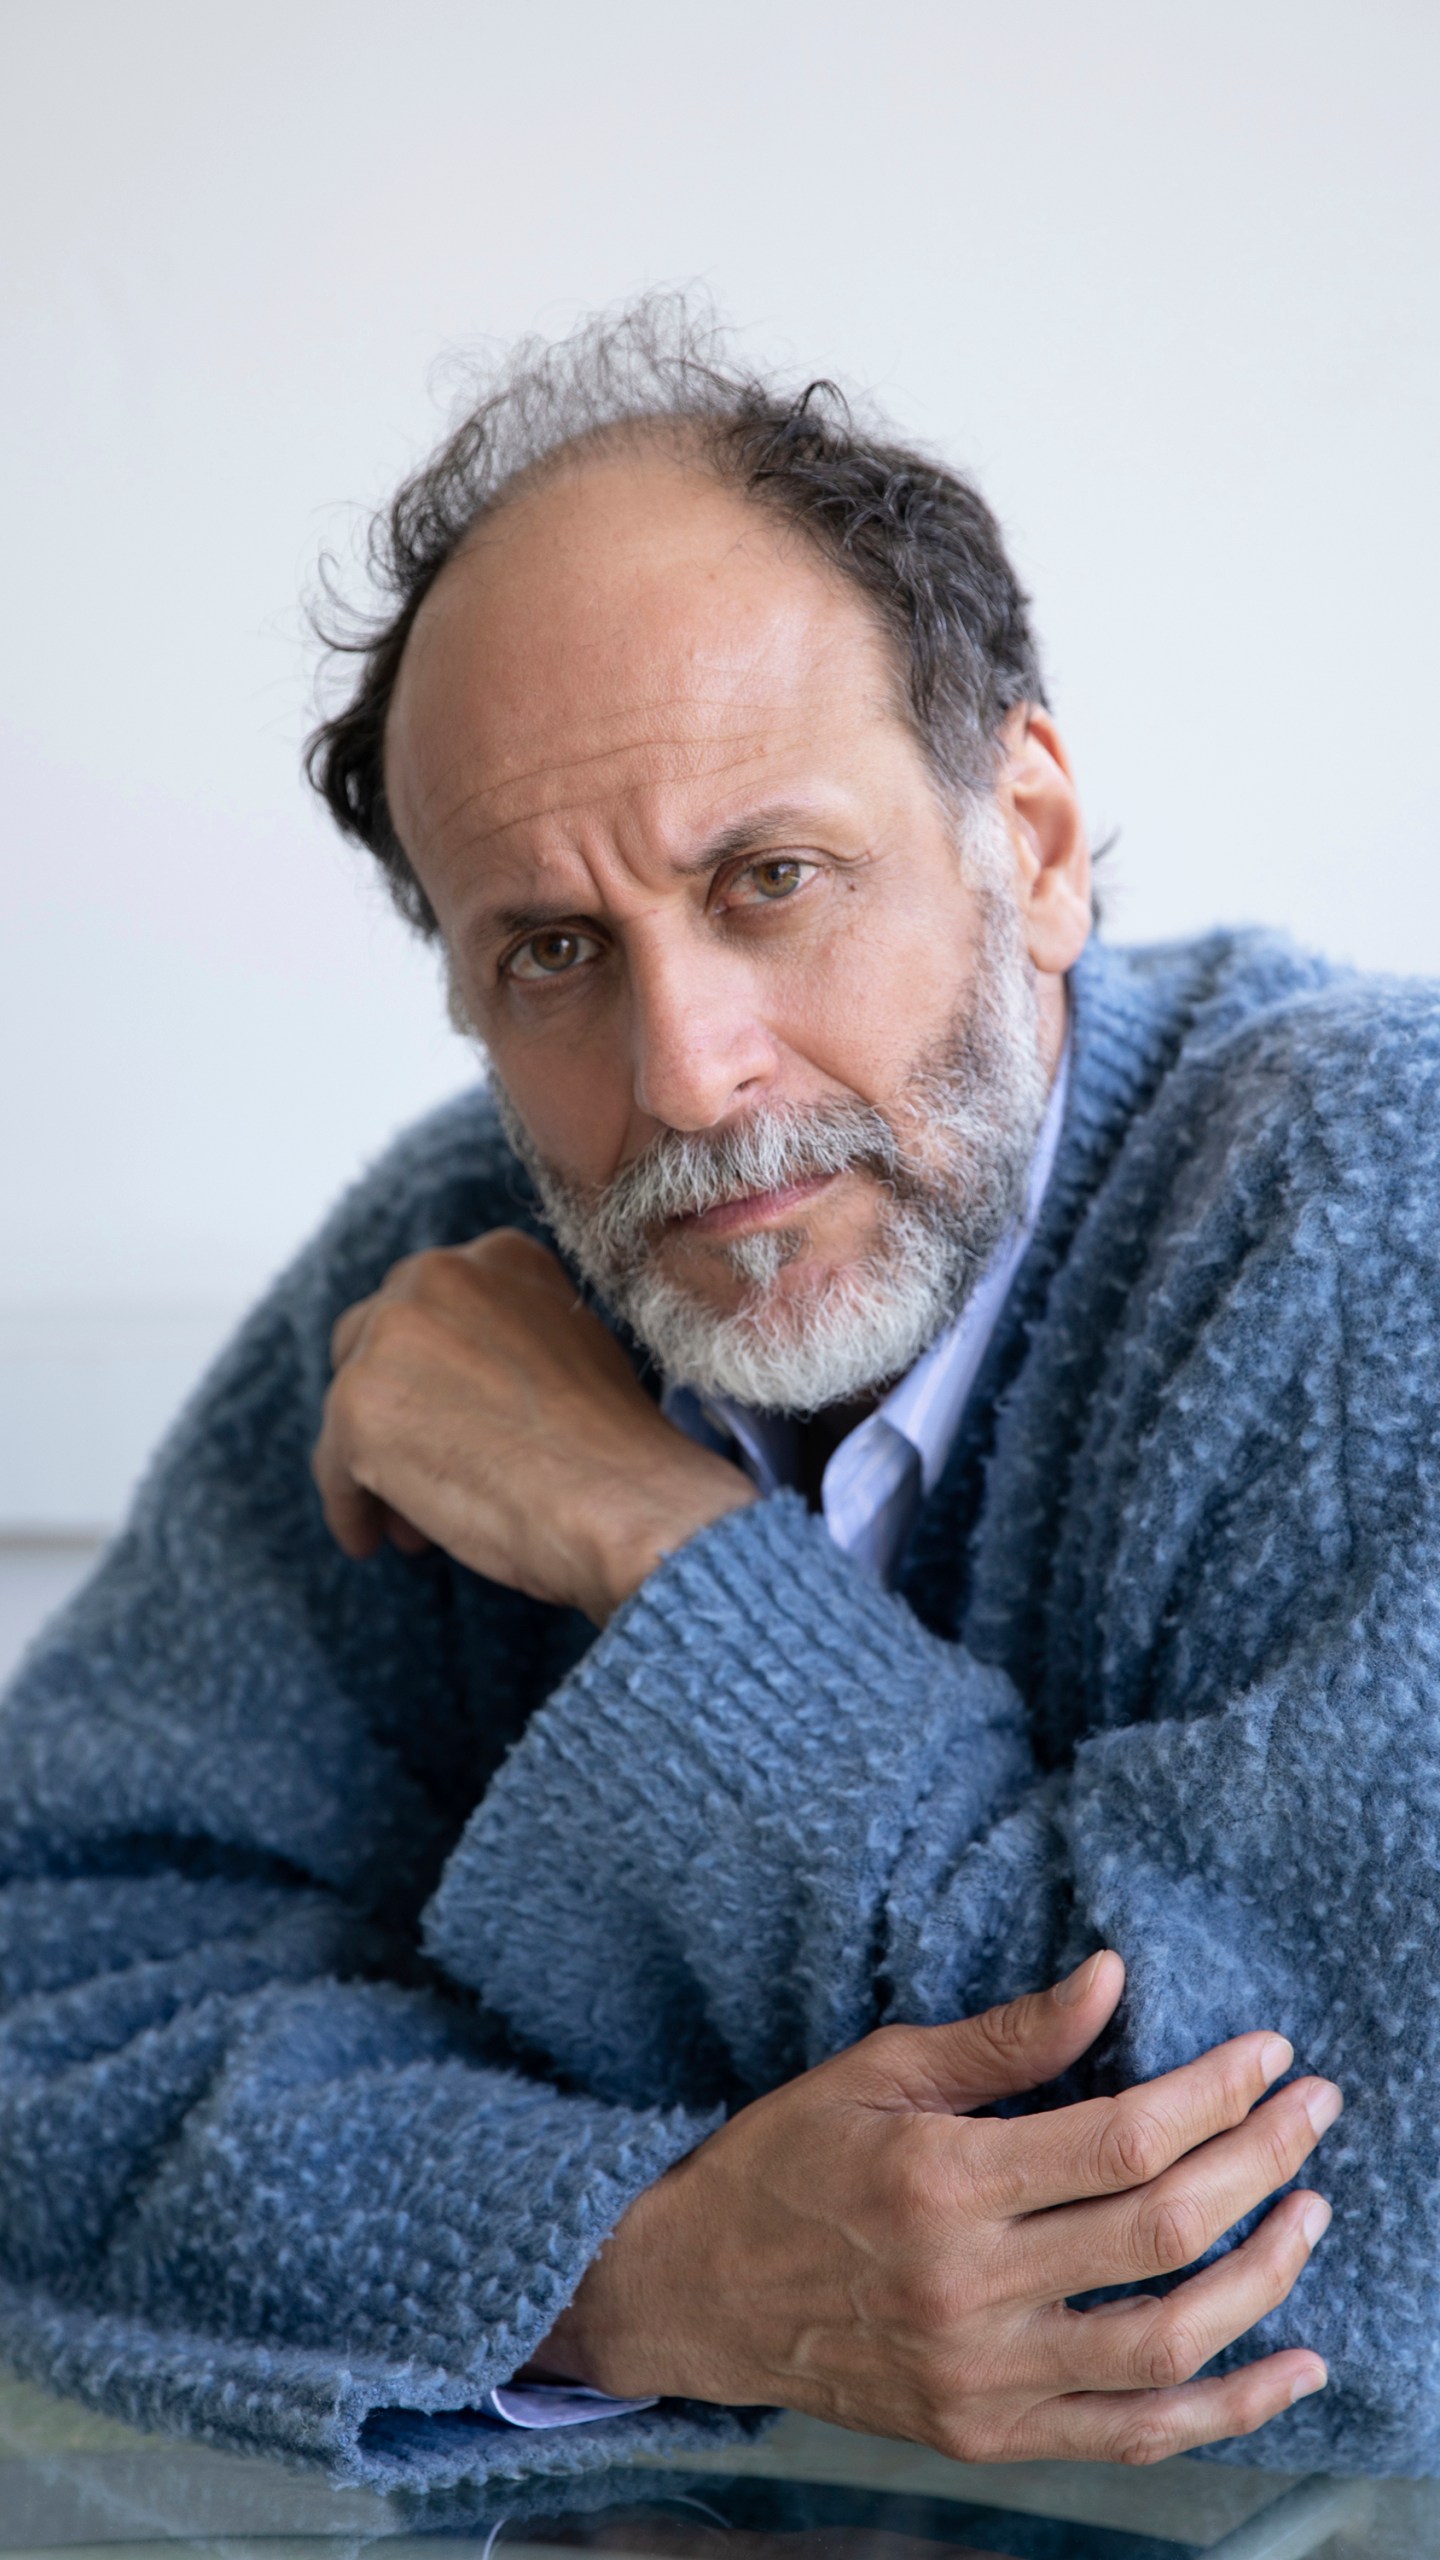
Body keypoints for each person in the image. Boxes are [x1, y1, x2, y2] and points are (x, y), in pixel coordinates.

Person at [4, 297, 1435, 2497]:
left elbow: (1322, 2233)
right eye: (551, 954)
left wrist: (663, 1551)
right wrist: (650, 2261)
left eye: (771, 880)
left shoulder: (1370, 1194)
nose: (689, 1079)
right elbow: (43, 1991)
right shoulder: (448, 1255)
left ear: (1030, 839)